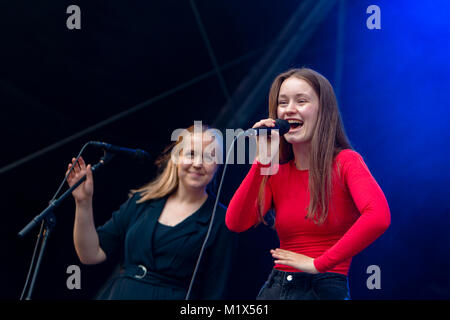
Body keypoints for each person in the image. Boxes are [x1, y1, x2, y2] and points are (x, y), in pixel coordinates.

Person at [225, 68, 391, 300]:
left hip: (322, 288)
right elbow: (236, 222)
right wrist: (261, 163)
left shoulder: (345, 162)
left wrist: (320, 263)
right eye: (283, 103)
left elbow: (379, 216)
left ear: (323, 110)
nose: (289, 109)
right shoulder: (275, 172)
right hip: (276, 287)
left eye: (301, 101)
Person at [66, 124, 237, 299]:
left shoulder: (221, 220)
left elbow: (215, 292)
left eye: (209, 157)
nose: (198, 163)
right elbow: (90, 254)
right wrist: (83, 203)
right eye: (191, 154)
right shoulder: (143, 201)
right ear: (176, 157)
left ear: (218, 166)